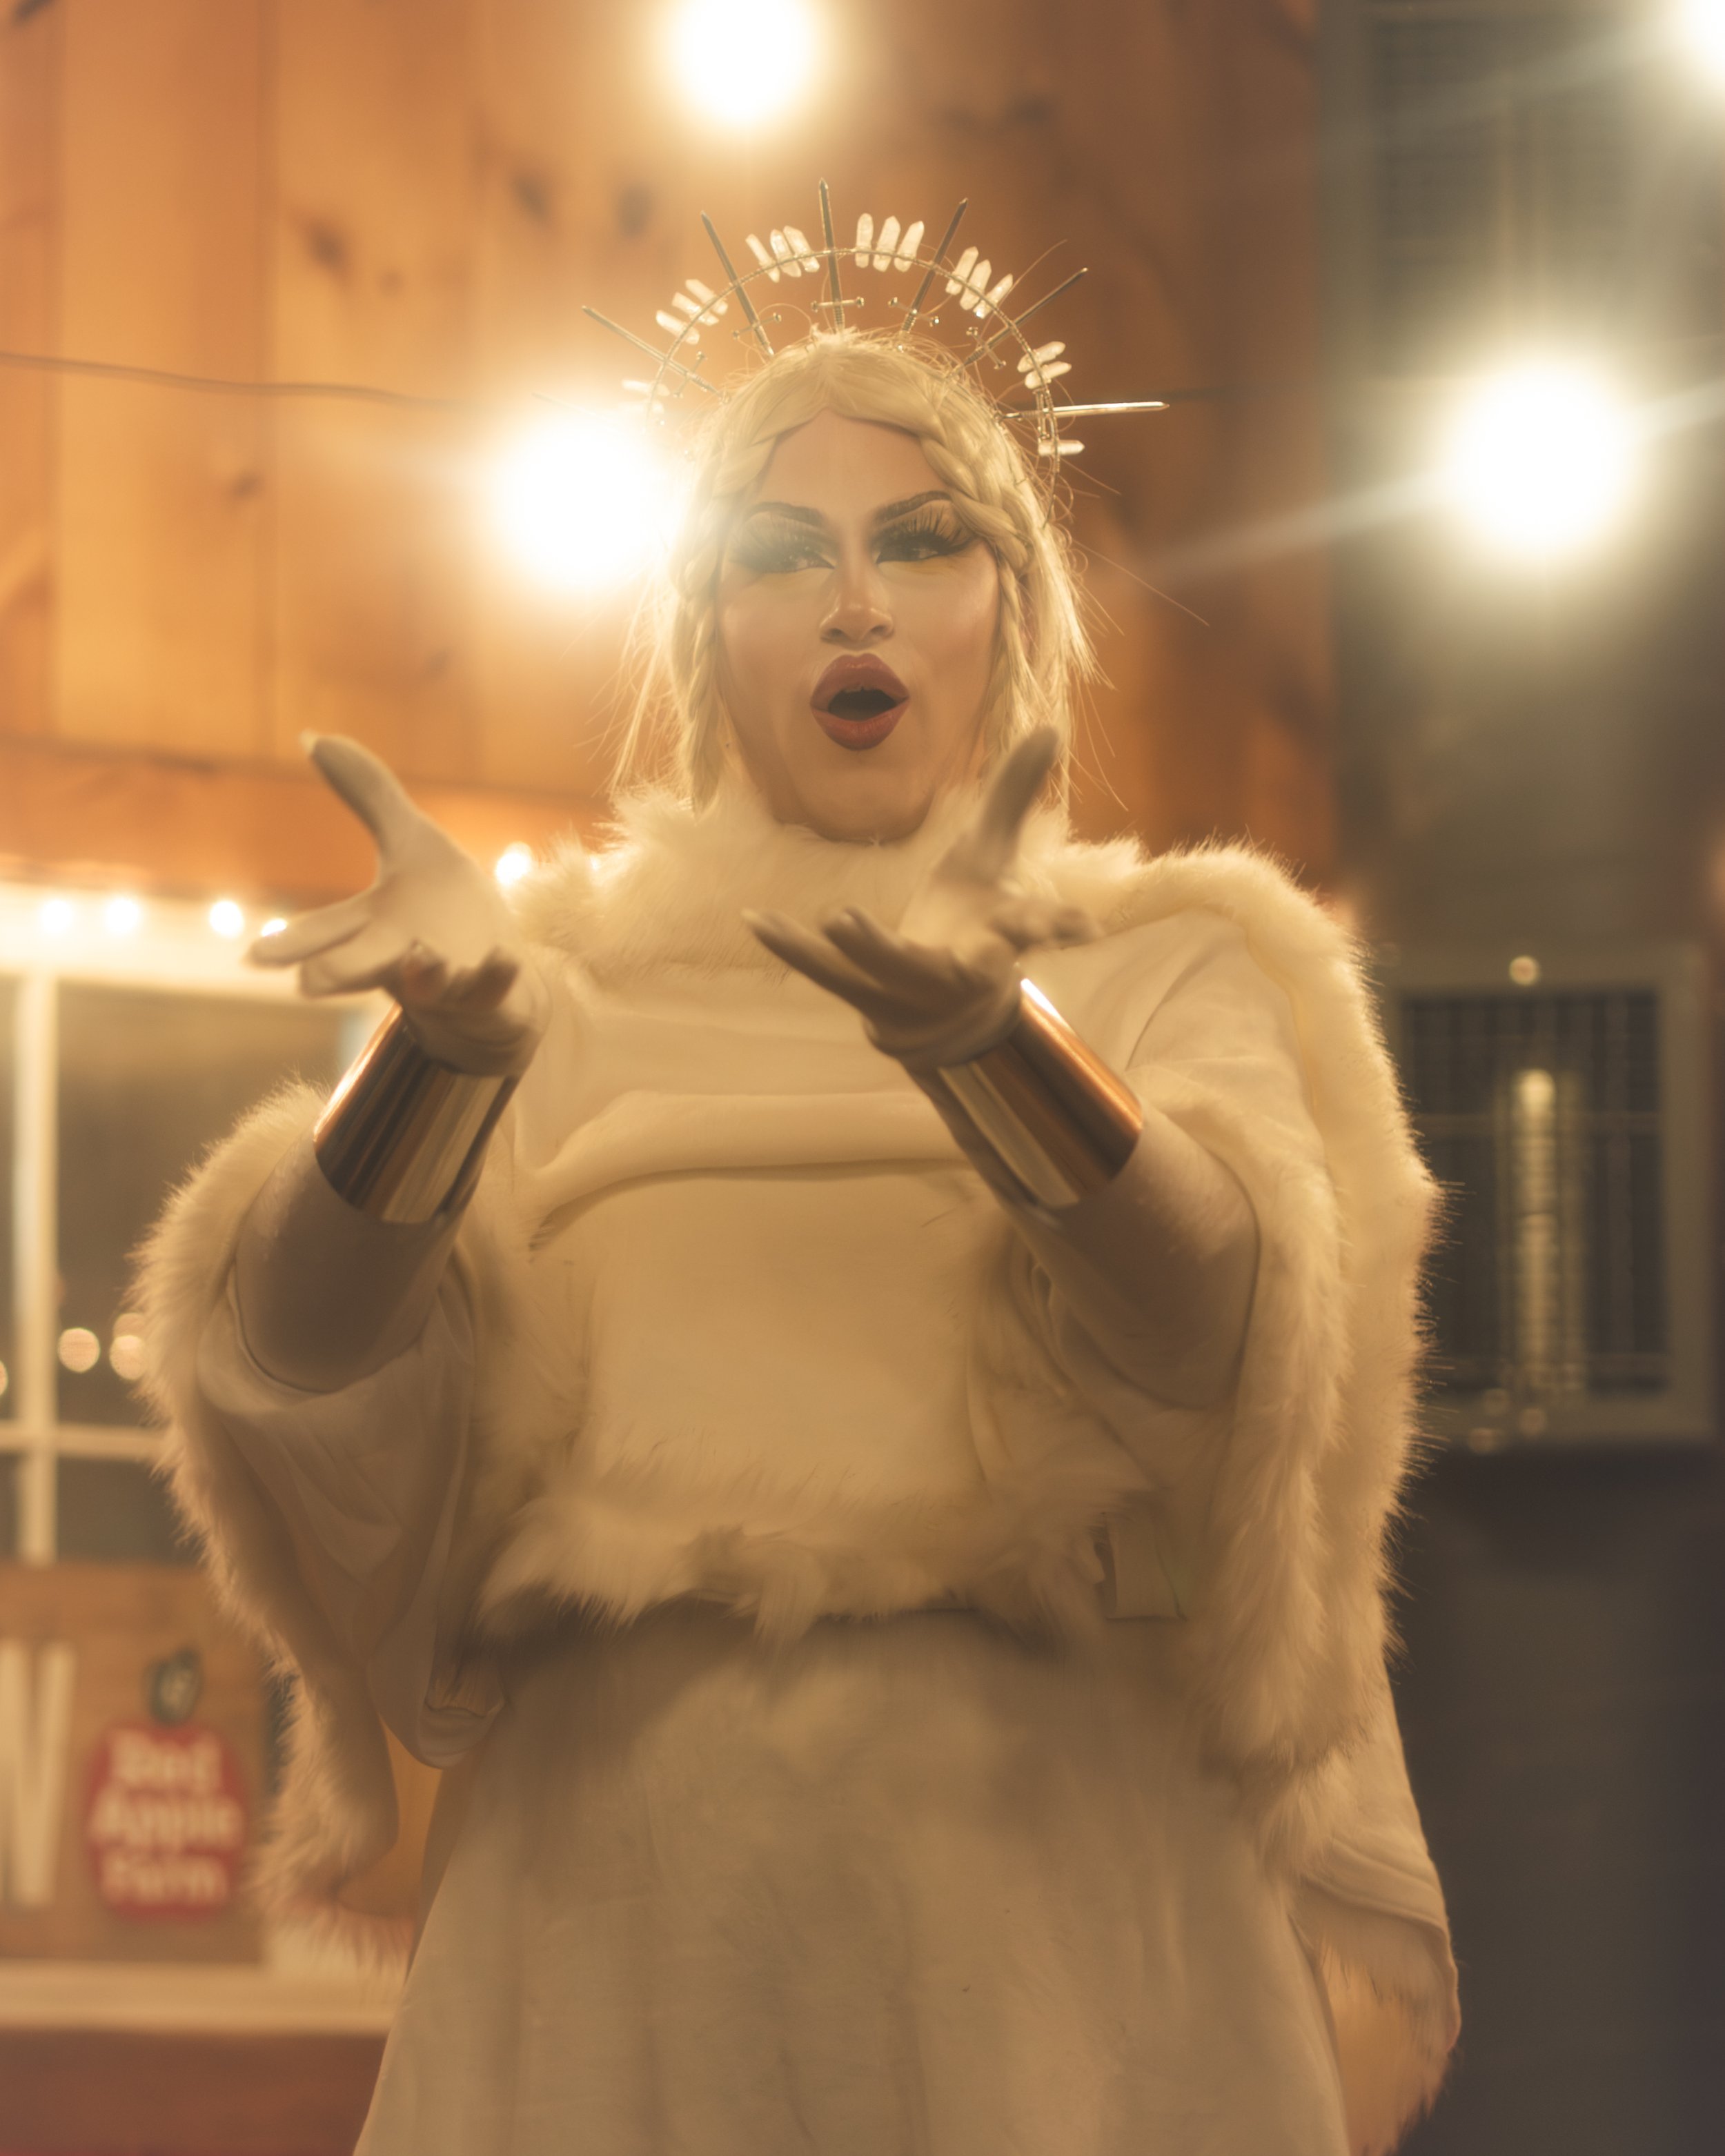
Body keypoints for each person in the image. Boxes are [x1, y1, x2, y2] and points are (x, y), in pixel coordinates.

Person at [140, 326, 1458, 2155]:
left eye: (922, 541)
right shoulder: (554, 988)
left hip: (1056, 1931)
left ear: (1010, 605)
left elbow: (1235, 1339)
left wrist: (994, 1050)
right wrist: (432, 1072)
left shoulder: (1173, 959)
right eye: (778, 552)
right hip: (626, 1926)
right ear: (701, 631)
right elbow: (299, 1383)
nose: (852, 600)